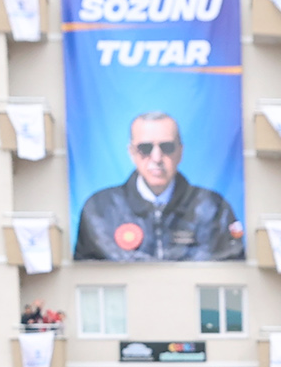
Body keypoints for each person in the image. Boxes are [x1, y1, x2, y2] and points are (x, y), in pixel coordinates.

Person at [71, 110, 244, 261]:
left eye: (167, 147)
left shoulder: (213, 208)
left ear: (180, 152)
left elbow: (232, 271)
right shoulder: (100, 210)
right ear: (131, 153)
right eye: (145, 148)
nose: (156, 158)